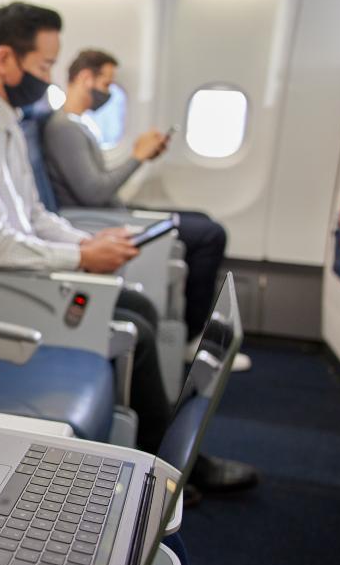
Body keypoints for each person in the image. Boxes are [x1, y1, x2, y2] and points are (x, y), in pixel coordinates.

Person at [0, 2, 257, 497]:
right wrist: (80, 260)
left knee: (136, 306)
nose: (50, 77)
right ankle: (173, 473)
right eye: (45, 65)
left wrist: (87, 242)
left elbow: (31, 216)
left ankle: (168, 464)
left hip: (9, 271)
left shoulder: (2, 119)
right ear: (5, 58)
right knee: (133, 324)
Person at [43, 49, 243, 370]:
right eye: (106, 83)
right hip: (96, 219)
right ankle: (192, 337)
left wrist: (143, 156)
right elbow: (94, 192)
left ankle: (192, 331)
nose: (107, 93)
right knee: (210, 235)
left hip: (112, 212)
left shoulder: (81, 124)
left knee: (203, 222)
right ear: (85, 78)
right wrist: (137, 156)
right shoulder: (64, 127)